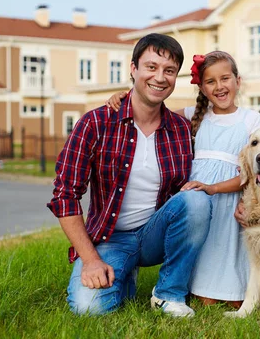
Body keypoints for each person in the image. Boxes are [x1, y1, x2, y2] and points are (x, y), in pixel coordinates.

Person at [47, 33, 212, 317]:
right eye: (151, 67)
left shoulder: (181, 129)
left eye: (169, 71)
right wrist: (91, 261)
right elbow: (65, 196)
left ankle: (168, 294)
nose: (160, 77)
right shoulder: (95, 123)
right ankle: (122, 271)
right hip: (112, 237)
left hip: (156, 234)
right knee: (89, 309)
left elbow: (222, 118)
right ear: (133, 69)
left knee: (196, 200)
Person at [106, 51, 260, 307]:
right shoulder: (193, 114)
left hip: (228, 197)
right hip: (197, 197)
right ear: (201, 87)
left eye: (225, 78)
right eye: (210, 82)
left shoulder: (251, 119)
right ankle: (190, 287)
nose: (219, 86)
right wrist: (125, 95)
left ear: (238, 80)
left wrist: (215, 188)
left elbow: (252, 173)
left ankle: (230, 289)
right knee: (199, 244)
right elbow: (150, 110)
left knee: (226, 247)